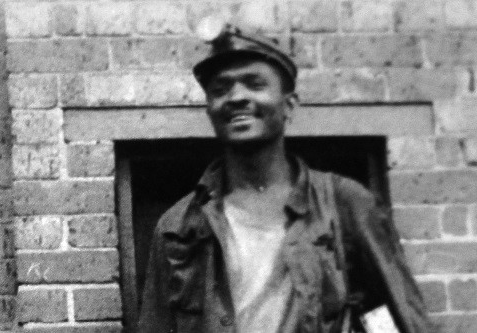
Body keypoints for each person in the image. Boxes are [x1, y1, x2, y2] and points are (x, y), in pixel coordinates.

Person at [137, 15, 432, 333]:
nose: (236, 97)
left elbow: (401, 321)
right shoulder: (178, 227)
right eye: (221, 89)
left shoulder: (344, 205)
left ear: (289, 105)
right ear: (209, 108)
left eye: (255, 83)